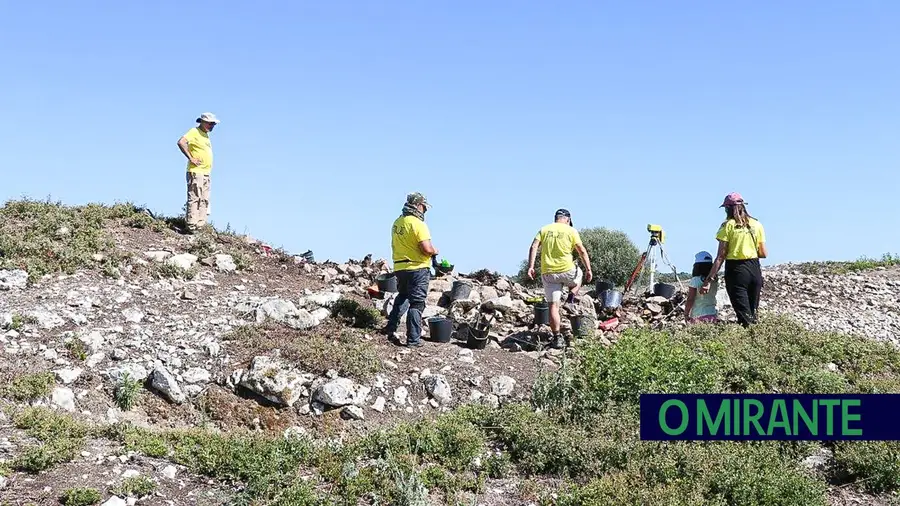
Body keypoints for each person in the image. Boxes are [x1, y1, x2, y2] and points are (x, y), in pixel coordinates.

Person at [526, 209, 593, 349]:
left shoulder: (544, 229)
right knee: (579, 275)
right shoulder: (571, 231)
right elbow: (581, 250)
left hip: (548, 273)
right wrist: (589, 269)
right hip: (567, 270)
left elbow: (533, 246)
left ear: (556, 218)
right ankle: (570, 298)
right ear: (567, 220)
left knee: (553, 307)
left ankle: (557, 338)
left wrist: (531, 266)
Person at [701, 192, 767, 327]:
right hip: (755, 269)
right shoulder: (757, 224)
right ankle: (758, 341)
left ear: (727, 208)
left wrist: (708, 280)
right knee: (753, 314)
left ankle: (749, 343)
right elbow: (763, 253)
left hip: (736, 270)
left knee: (744, 315)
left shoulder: (727, 226)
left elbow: (721, 256)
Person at [384, 192, 438, 347]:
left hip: (400, 267)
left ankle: (390, 327)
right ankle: (413, 339)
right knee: (417, 303)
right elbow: (426, 248)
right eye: (424, 207)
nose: (425, 211)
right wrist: (435, 251)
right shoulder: (418, 224)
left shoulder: (397, 222)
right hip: (418, 267)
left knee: (403, 296)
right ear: (419, 205)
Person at [177, 112, 219, 233]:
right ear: (202, 122)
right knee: (195, 197)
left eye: (213, 124)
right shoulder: (194, 132)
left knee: (204, 199)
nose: (212, 126)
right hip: (196, 171)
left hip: (206, 172)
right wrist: (191, 158)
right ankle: (191, 225)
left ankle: (200, 225)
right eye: (210, 124)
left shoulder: (205, 135)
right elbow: (181, 142)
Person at [684, 251, 719, 323]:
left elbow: (690, 299)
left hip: (698, 314)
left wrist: (686, 314)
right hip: (712, 313)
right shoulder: (714, 280)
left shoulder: (695, 280)